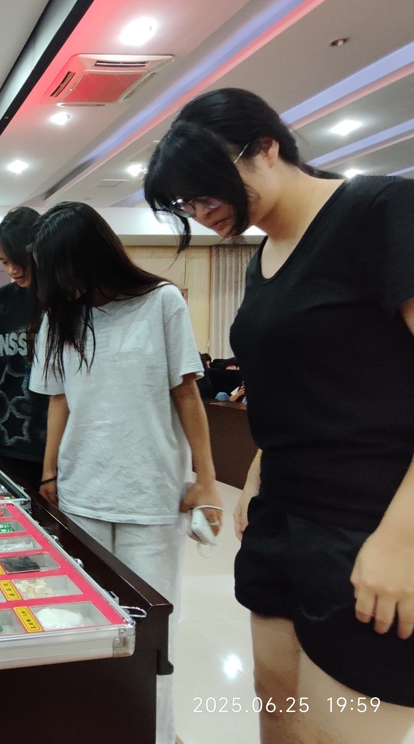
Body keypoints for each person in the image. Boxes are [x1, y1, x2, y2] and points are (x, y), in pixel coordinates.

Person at [143, 87, 414, 743]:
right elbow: (309, 376)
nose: (201, 212)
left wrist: (402, 540)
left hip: (370, 526)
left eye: (206, 192)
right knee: (279, 715)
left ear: (266, 147)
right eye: (186, 204)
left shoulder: (381, 210)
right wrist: (263, 464)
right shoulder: (262, 255)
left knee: (335, 730)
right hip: (283, 525)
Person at [27, 202, 220, 744]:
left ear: (89, 258)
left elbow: (187, 394)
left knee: (151, 635)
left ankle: (156, 732)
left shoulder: (162, 303)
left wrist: (206, 480)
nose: (54, 285)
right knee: (89, 626)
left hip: (150, 495)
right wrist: (49, 474)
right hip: (82, 493)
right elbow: (59, 400)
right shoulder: (60, 319)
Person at [0, 207, 49, 489]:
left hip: (52, 440)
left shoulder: (61, 298)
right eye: (4, 262)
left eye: (19, 261)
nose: (12, 270)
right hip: (6, 437)